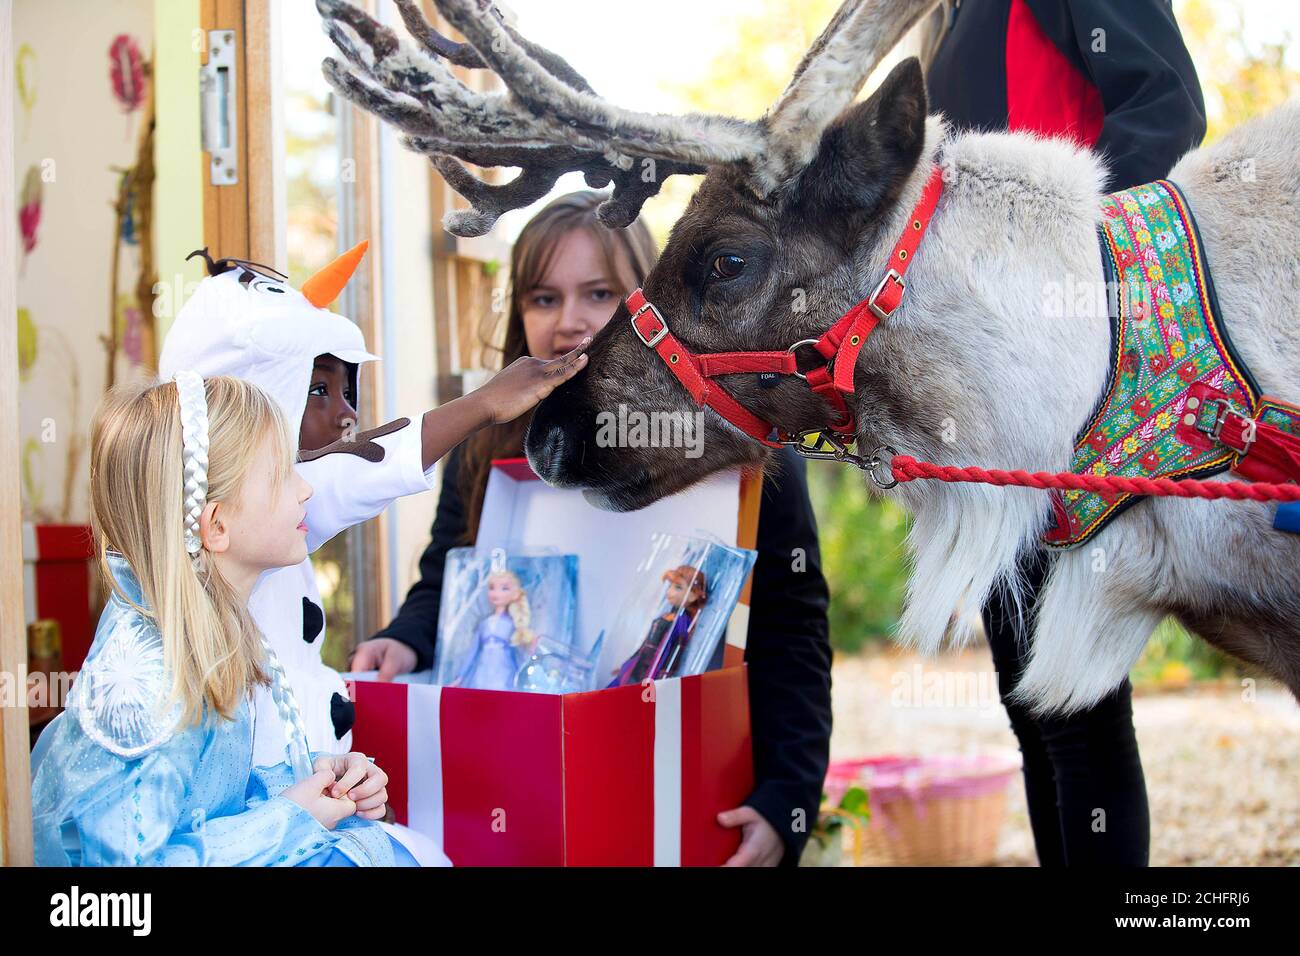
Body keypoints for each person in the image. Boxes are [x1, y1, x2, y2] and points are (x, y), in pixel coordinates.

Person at [352, 192, 835, 867]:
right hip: (516, 796)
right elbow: (445, 577)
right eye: (543, 298)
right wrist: (404, 640)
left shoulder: (738, 444)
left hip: (685, 788)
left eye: (600, 294)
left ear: (651, 300)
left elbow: (791, 635)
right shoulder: (487, 445)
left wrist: (786, 798)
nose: (569, 322)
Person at [920, 0, 1207, 865]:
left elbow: (1168, 107)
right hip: (983, 386)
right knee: (1033, 704)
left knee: (1076, 708)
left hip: (1064, 372)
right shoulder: (940, 16)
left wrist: (1056, 267)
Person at [157, 243, 587, 781]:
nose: (347, 414)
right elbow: (356, 471)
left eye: (346, 389)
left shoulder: (271, 508)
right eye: (317, 391)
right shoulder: (248, 510)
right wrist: (483, 404)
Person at [31, 374, 407, 865]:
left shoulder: (203, 633)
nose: (305, 488)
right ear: (217, 525)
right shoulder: (149, 682)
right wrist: (289, 817)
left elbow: (205, 799)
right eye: (280, 474)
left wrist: (316, 778)